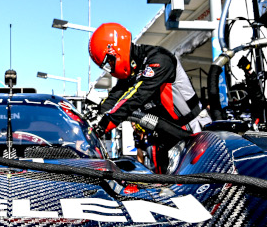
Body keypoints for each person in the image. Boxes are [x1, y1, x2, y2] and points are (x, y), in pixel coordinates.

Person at [87, 22, 207, 171]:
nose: (110, 68)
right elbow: (113, 99)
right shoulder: (130, 74)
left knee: (203, 182)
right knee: (165, 187)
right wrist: (91, 121)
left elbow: (137, 95)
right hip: (164, 138)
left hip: (193, 131)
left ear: (117, 50)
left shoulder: (159, 59)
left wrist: (104, 124)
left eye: (110, 62)